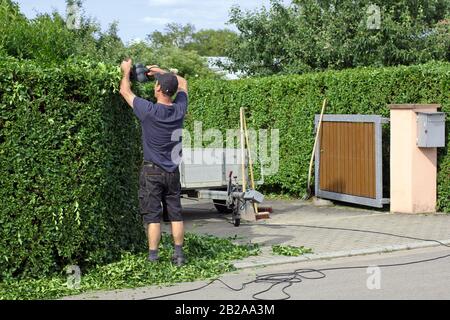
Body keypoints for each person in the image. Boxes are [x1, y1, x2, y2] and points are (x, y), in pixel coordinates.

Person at [119, 58, 188, 266]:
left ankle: (153, 257)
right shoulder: (179, 109)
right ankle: (178, 256)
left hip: (152, 172)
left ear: (157, 89)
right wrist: (162, 73)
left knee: (153, 216)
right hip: (173, 171)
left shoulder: (148, 110)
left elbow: (125, 90)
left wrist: (126, 70)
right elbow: (182, 82)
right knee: (175, 214)